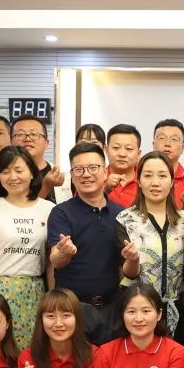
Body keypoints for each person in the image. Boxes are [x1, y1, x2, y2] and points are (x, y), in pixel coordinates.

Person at [0, 146, 53, 350]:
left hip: (31, 291)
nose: (12, 177)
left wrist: (52, 295)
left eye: (18, 170)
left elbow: (50, 261)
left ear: (32, 173)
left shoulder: (49, 209)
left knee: (28, 351)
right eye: (5, 171)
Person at [47, 142, 125, 346]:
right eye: (79, 169)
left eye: (93, 168)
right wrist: (64, 252)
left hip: (112, 307)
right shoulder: (61, 213)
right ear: (72, 175)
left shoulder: (121, 214)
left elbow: (124, 266)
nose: (86, 174)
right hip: (73, 309)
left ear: (105, 172)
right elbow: (56, 260)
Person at [115, 152, 184, 341]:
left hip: (175, 310)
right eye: (148, 175)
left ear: (172, 181)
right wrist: (133, 260)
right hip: (137, 310)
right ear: (139, 181)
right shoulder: (126, 219)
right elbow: (128, 273)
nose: (155, 182)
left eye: (162, 175)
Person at [11, 115, 64, 202]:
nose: (28, 139)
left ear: (46, 143)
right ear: (11, 142)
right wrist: (46, 186)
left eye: (34, 134)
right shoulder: (5, 176)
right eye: (20, 134)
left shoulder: (62, 176)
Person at [103, 123, 143, 207]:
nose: (122, 154)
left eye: (129, 149)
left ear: (138, 154)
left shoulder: (146, 181)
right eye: (116, 148)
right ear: (106, 150)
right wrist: (104, 190)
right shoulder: (93, 177)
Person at [152, 118, 184, 184]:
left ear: (182, 148)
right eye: (162, 138)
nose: (167, 143)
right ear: (153, 144)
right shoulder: (140, 175)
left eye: (174, 139)